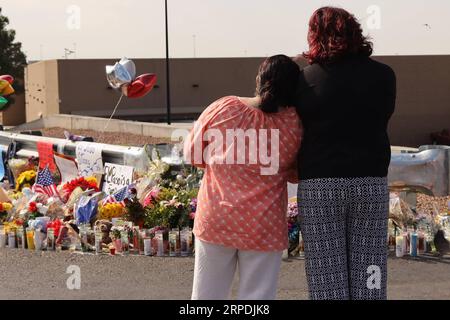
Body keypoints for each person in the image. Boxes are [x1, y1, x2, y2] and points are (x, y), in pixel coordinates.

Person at [295, 7, 396, 300]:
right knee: (370, 278)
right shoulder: (385, 76)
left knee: (327, 284)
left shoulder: (304, 80)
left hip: (319, 188)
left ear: (315, 36)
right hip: (370, 185)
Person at [184, 55, 302, 300]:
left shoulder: (223, 108)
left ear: (259, 79)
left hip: (217, 219)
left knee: (206, 296)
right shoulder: (292, 124)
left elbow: (193, 154)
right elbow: (295, 174)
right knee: (257, 298)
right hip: (263, 227)